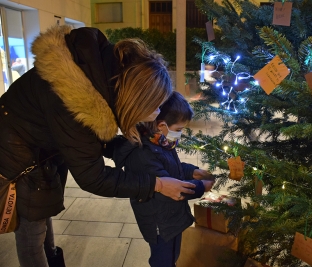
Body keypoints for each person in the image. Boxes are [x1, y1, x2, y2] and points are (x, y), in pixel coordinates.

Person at [0, 25, 202, 267]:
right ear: (135, 99)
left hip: (41, 148)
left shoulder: (103, 78)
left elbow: (88, 145)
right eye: (154, 106)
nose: (158, 114)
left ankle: (51, 258)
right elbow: (92, 177)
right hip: (15, 150)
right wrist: (156, 184)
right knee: (31, 229)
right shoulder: (75, 104)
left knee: (41, 212)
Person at [113, 91, 215, 267]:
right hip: (159, 222)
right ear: (161, 125)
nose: (180, 134)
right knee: (162, 260)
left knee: (172, 257)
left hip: (171, 217)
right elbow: (169, 189)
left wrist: (193, 172)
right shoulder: (143, 154)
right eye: (179, 130)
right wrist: (201, 187)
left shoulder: (159, 141)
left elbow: (170, 168)